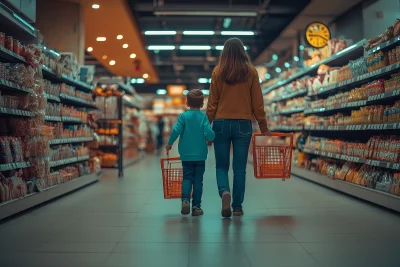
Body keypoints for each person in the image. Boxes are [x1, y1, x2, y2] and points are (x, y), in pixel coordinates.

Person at [207, 37, 270, 218]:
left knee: (221, 166)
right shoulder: (250, 72)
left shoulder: (218, 71)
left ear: (224, 52)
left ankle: (224, 191)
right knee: (240, 168)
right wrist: (263, 126)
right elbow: (258, 103)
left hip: (220, 123)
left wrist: (206, 129)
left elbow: (212, 103)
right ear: (243, 51)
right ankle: (237, 206)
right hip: (243, 124)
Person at [166, 89, 215, 216]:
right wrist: (212, 137)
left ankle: (185, 200)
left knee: (187, 178)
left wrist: (169, 144)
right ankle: (196, 207)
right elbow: (209, 133)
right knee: (198, 180)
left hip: (186, 154)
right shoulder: (203, 118)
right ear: (202, 104)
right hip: (200, 155)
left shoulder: (183, 117)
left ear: (187, 103)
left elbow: (175, 131)